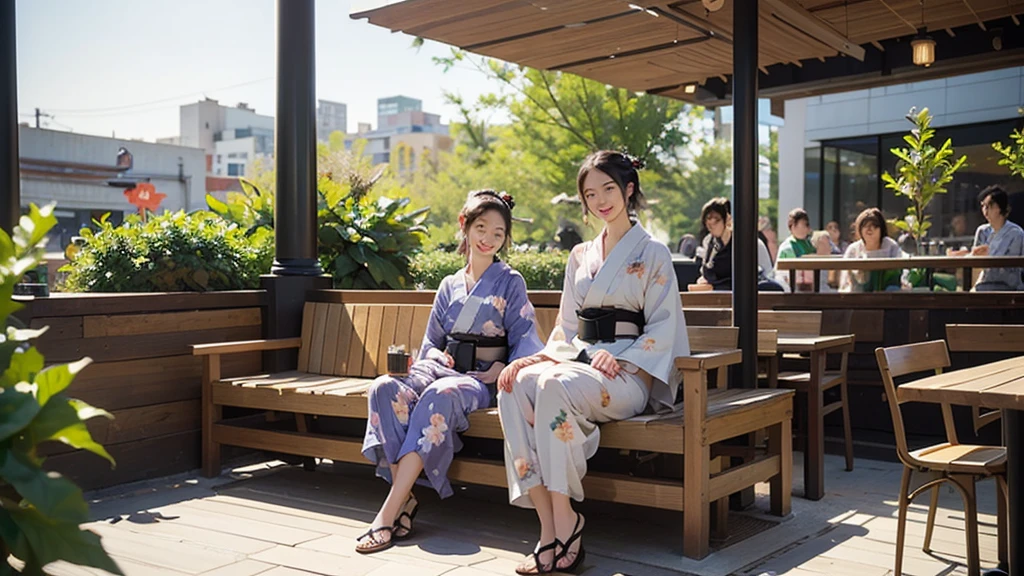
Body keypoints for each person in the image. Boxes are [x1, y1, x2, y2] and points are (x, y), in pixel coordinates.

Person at [496, 151, 689, 574]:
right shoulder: (580, 255)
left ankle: (565, 524)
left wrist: (625, 355)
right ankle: (551, 526)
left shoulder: (653, 251)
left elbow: (664, 325)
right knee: (514, 385)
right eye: (590, 193)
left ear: (628, 190)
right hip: (580, 364)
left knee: (551, 386)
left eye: (608, 189)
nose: (600, 200)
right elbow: (567, 327)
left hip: (627, 376)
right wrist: (533, 359)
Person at [356, 190, 545, 554]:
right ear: (465, 226)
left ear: (505, 239)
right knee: (384, 387)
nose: (488, 239)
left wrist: (506, 366)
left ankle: (387, 514)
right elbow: (431, 342)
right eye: (481, 228)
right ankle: (406, 499)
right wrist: (436, 357)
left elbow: (526, 338)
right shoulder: (448, 285)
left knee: (436, 396)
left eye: (498, 233)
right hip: (444, 370)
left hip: (480, 381)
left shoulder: (511, 282)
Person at [693, 197, 785, 291]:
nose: (712, 225)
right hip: (718, 295)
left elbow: (764, 274)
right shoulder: (709, 242)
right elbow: (707, 271)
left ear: (727, 219)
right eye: (708, 221)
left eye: (716, 220)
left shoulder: (745, 242)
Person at [949, 186, 1023, 291]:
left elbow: (1012, 273)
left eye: (990, 206)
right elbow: (974, 263)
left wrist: (987, 259)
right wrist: (965, 255)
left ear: (1001, 208)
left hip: (1008, 287)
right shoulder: (982, 231)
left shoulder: (1016, 234)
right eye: (983, 206)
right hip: (983, 284)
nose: (986, 210)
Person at [839, 207, 904, 292]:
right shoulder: (853, 249)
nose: (870, 229)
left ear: (881, 229)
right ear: (860, 229)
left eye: (875, 225)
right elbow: (845, 280)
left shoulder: (891, 246)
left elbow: (901, 272)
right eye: (865, 226)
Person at [775, 208, 821, 291]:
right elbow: (780, 273)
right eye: (803, 225)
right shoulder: (786, 246)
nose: (806, 228)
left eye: (807, 225)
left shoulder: (811, 244)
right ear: (792, 226)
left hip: (811, 287)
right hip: (791, 287)